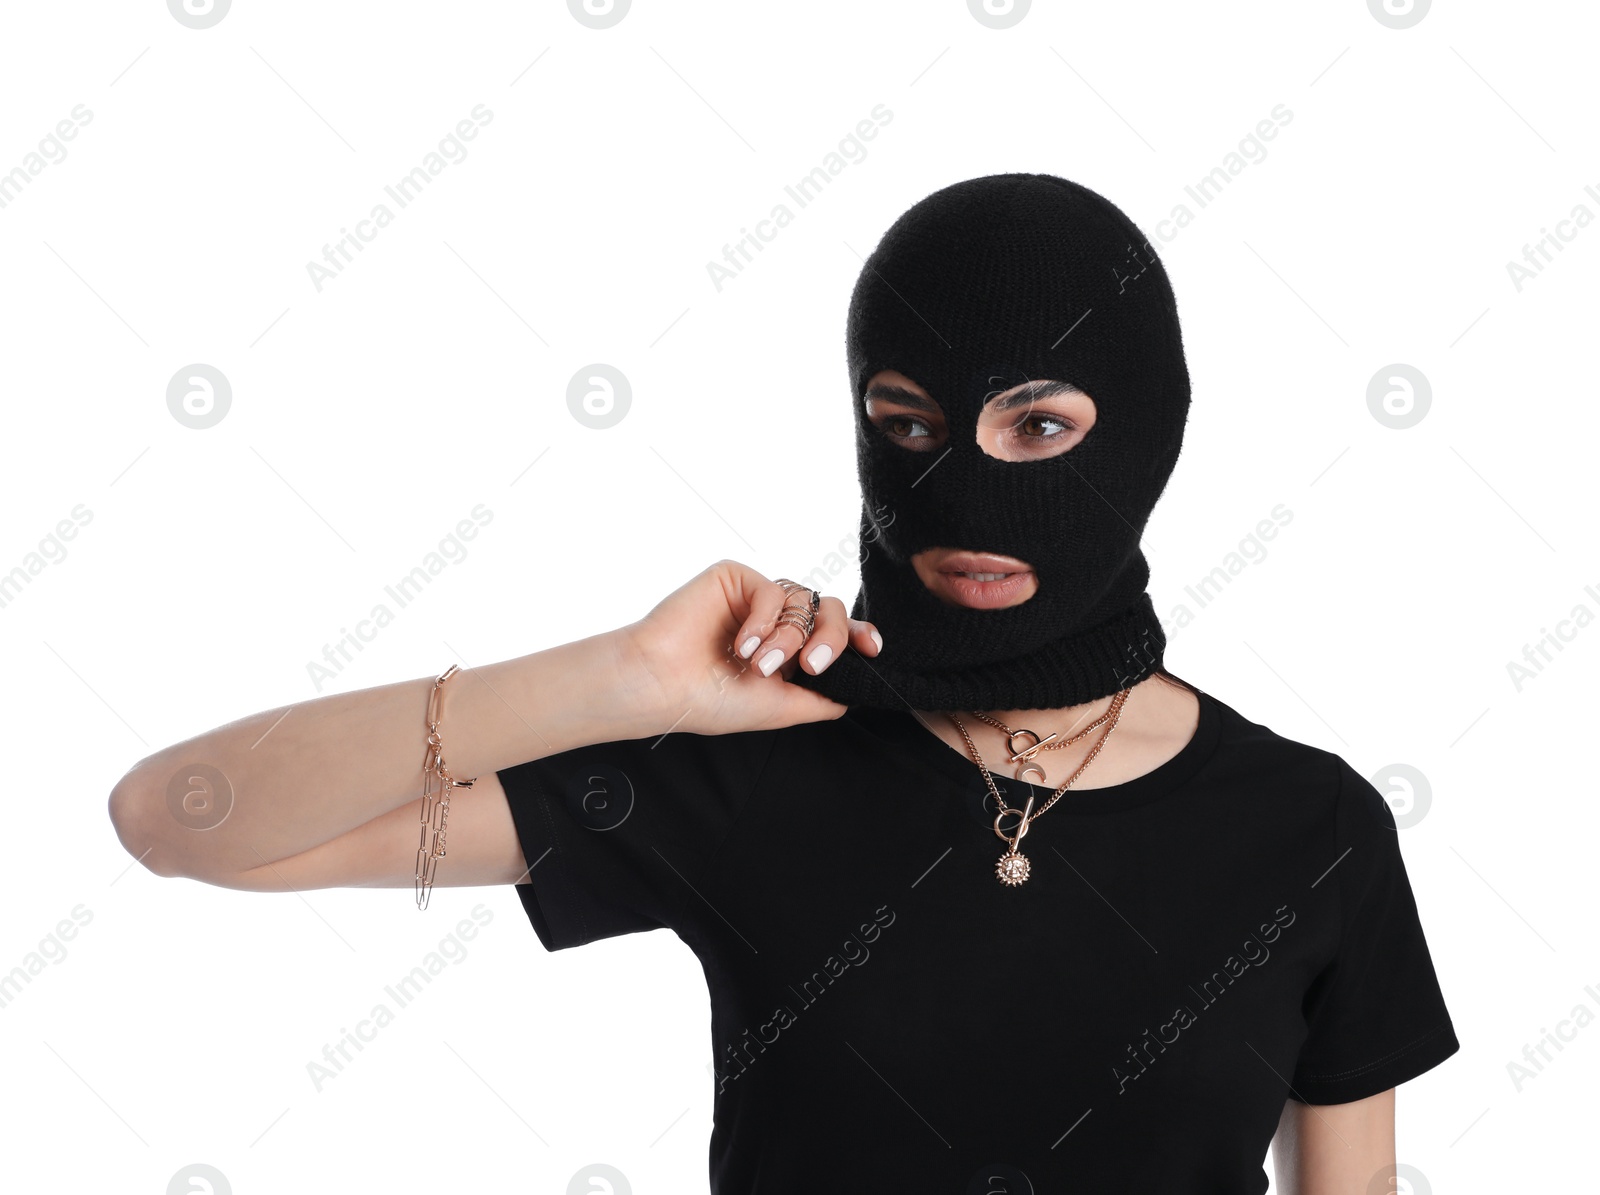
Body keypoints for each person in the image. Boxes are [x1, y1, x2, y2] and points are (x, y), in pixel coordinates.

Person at [108, 172, 1459, 1193]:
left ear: (1146, 430)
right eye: (910, 424)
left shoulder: (1311, 830)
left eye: (1038, 424)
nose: (965, 483)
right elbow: (181, 820)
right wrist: (624, 676)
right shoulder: (757, 755)